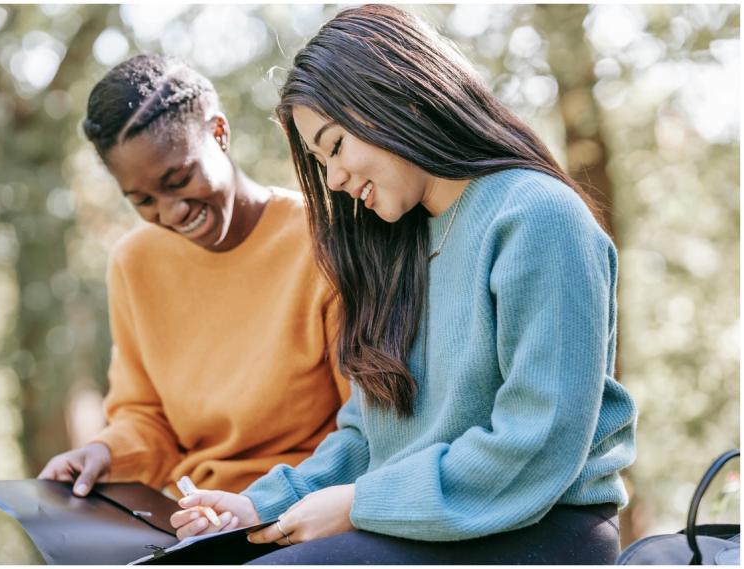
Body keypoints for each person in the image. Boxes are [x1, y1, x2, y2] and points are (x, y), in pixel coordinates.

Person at [170, 5, 638, 564]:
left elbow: (536, 441)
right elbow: (370, 437)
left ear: (400, 99)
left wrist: (358, 504)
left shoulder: (537, 216)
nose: (335, 181)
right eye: (320, 162)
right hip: (416, 523)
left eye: (336, 146)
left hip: (539, 527)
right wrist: (259, 506)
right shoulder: (395, 249)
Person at [37, 54, 349, 514]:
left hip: (306, 509)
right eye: (142, 200)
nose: (171, 213)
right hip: (198, 518)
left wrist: (260, 506)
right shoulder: (134, 263)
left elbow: (365, 429)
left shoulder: (322, 242)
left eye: (179, 179)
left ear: (219, 133)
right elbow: (147, 419)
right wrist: (104, 453)